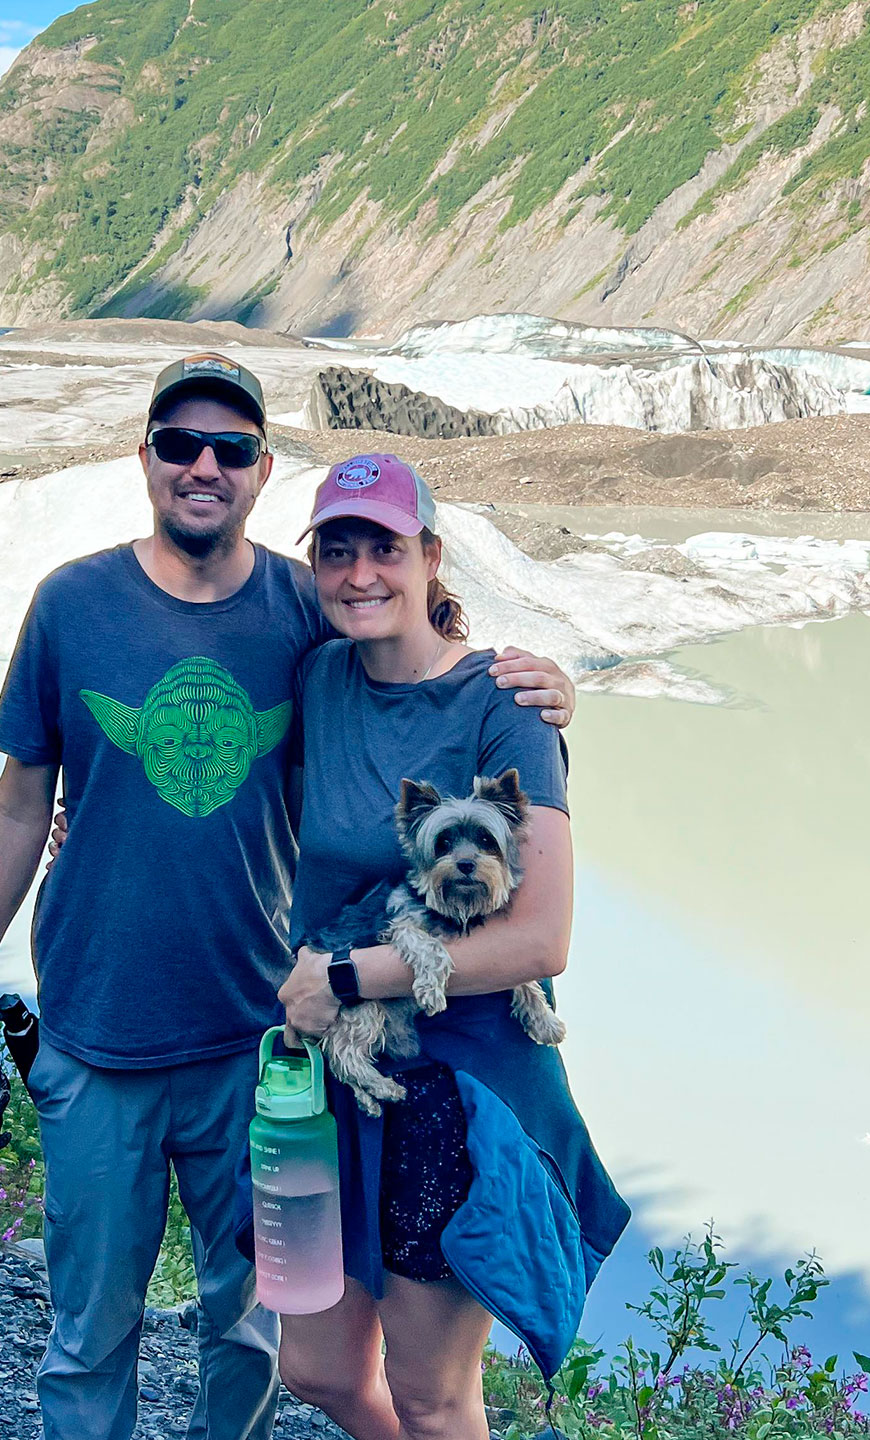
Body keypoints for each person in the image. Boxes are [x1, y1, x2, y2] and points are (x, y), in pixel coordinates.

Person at [0, 355, 579, 1440]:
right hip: (98, 1037)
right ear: (146, 457)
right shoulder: (73, 606)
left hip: (264, 1052)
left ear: (262, 471)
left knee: (254, 1332)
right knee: (91, 1330)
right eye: (180, 442)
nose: (203, 465)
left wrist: (546, 698)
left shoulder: (305, 611)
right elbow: (15, 803)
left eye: (230, 449)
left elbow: (420, 682)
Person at [272, 455, 630, 1440]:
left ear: (430, 556)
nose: (359, 574)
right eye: (335, 552)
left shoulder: (504, 703)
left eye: (383, 548)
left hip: (446, 1092)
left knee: (433, 1396)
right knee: (317, 1368)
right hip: (326, 1082)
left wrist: (344, 975)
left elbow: (540, 938)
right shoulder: (317, 678)